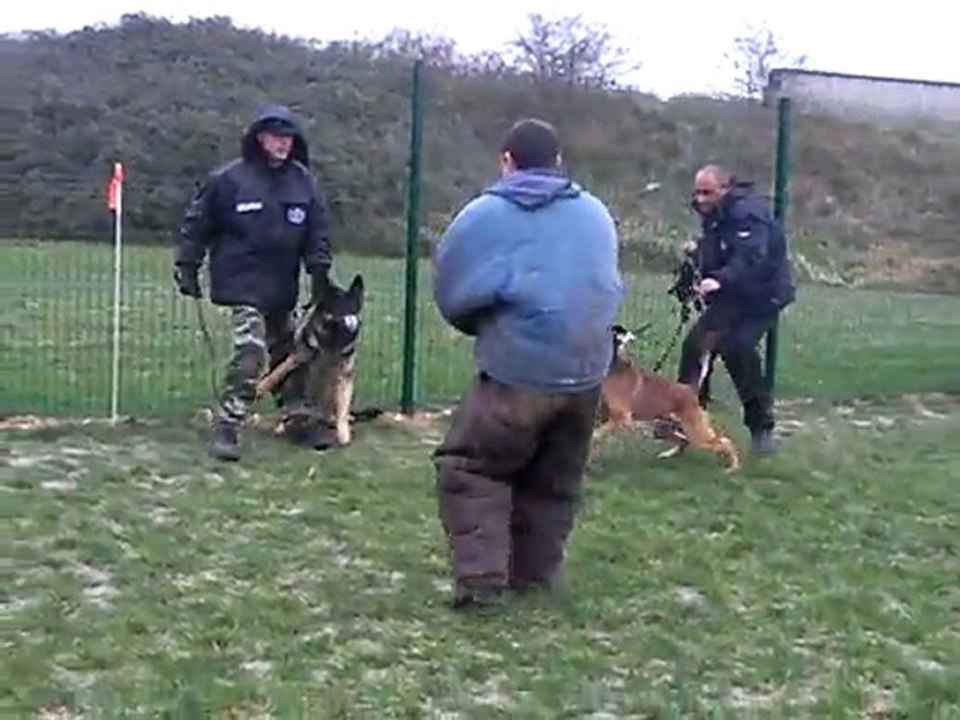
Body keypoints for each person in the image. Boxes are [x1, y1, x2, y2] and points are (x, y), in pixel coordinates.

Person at [431, 118, 625, 611]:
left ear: (507, 161)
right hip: (586, 369)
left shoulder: (483, 216)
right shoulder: (596, 214)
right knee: (554, 477)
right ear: (559, 162)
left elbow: (452, 292)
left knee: (474, 468)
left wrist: (488, 326)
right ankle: (535, 574)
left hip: (518, 368)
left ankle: (482, 583)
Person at [173, 103, 334, 461]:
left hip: (283, 285)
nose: (283, 143)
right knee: (251, 352)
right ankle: (228, 425)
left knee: (292, 353)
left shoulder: (304, 182)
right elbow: (197, 224)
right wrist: (187, 265)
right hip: (241, 283)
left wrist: (319, 271)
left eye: (288, 137)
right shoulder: (229, 180)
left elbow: (317, 231)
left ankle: (299, 420)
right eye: (276, 137)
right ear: (259, 139)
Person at [675, 164, 796, 453]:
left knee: (737, 348)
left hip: (762, 297)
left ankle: (761, 430)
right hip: (732, 295)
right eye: (697, 192)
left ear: (725, 190)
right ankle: (687, 420)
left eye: (707, 192)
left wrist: (719, 279)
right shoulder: (715, 216)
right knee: (695, 347)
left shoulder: (747, 216)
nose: (700, 199)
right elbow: (712, 252)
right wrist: (688, 280)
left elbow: (751, 257)